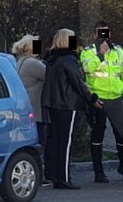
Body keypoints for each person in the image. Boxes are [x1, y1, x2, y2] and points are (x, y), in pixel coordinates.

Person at [41, 28, 101, 190]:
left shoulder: (51, 59)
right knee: (66, 142)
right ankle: (64, 177)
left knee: (54, 140)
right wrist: (91, 99)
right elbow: (77, 82)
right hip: (68, 104)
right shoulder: (69, 59)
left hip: (53, 103)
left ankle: (52, 173)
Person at [79, 21, 123, 182]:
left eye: (106, 33)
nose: (104, 38)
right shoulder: (88, 52)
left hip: (116, 99)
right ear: (94, 35)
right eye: (100, 34)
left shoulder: (118, 51)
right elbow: (87, 69)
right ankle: (99, 172)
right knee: (97, 136)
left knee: (121, 136)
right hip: (98, 100)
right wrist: (100, 55)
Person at [12, 34, 51, 187]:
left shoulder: (20, 62)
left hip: (26, 106)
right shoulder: (33, 64)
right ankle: (40, 176)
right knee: (40, 141)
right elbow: (51, 75)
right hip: (36, 108)